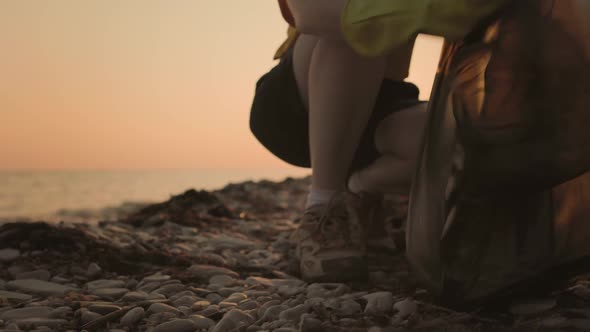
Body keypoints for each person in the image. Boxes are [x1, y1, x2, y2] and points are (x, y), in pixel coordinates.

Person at [251, 0, 427, 282]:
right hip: (301, 102)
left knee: (462, 138)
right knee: (361, 20)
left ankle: (358, 192)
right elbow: (310, 13)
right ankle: (323, 208)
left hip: (385, 102)